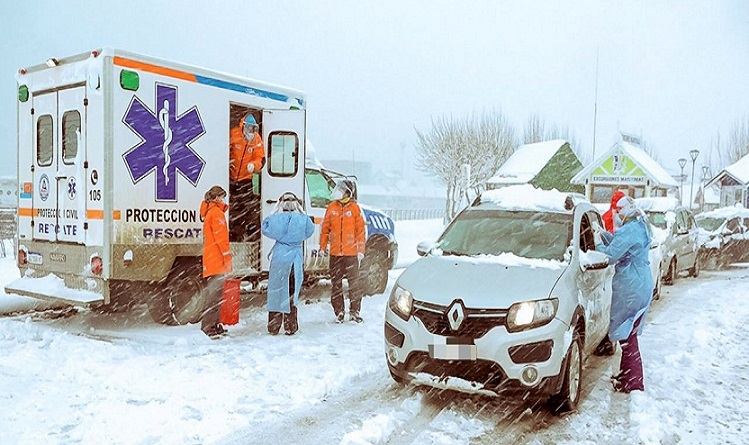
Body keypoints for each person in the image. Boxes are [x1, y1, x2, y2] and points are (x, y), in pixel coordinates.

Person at [596, 195, 654, 393]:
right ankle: (626, 375)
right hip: (640, 281)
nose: (617, 214)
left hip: (632, 284)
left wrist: (597, 243)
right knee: (629, 332)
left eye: (619, 211)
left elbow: (611, 255)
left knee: (628, 335)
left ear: (626, 211)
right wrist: (605, 236)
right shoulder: (638, 226)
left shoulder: (629, 230)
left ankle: (634, 381)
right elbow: (621, 246)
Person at [261, 192, 314, 335]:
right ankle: (291, 326)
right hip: (294, 260)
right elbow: (310, 230)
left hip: (279, 259)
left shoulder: (277, 219)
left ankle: (274, 326)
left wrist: (274, 210)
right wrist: (302, 211)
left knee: (276, 292)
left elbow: (265, 227)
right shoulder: (302, 220)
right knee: (291, 293)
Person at [319, 180, 366, 323]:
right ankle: (339, 312)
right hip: (335, 254)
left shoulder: (355, 208)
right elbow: (325, 229)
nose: (337, 191)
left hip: (351, 254)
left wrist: (360, 251)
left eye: (341, 189)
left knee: (354, 284)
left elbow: (360, 232)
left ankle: (354, 311)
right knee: (336, 284)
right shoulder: (331, 207)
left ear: (347, 192)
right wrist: (322, 246)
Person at [200, 185, 232, 339]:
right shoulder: (217, 214)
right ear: (217, 198)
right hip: (217, 260)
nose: (223, 199)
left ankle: (213, 324)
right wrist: (227, 258)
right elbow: (222, 239)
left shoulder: (209, 212)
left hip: (210, 259)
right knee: (214, 296)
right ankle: (209, 326)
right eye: (222, 196)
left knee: (213, 295)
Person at [229, 113, 265, 241]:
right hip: (231, 179)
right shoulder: (234, 134)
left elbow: (260, 159)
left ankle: (244, 235)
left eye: (253, 128)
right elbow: (226, 149)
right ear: (243, 126)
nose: (251, 131)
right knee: (232, 207)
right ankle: (234, 234)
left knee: (246, 209)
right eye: (249, 128)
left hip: (246, 180)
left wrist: (253, 166)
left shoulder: (256, 140)